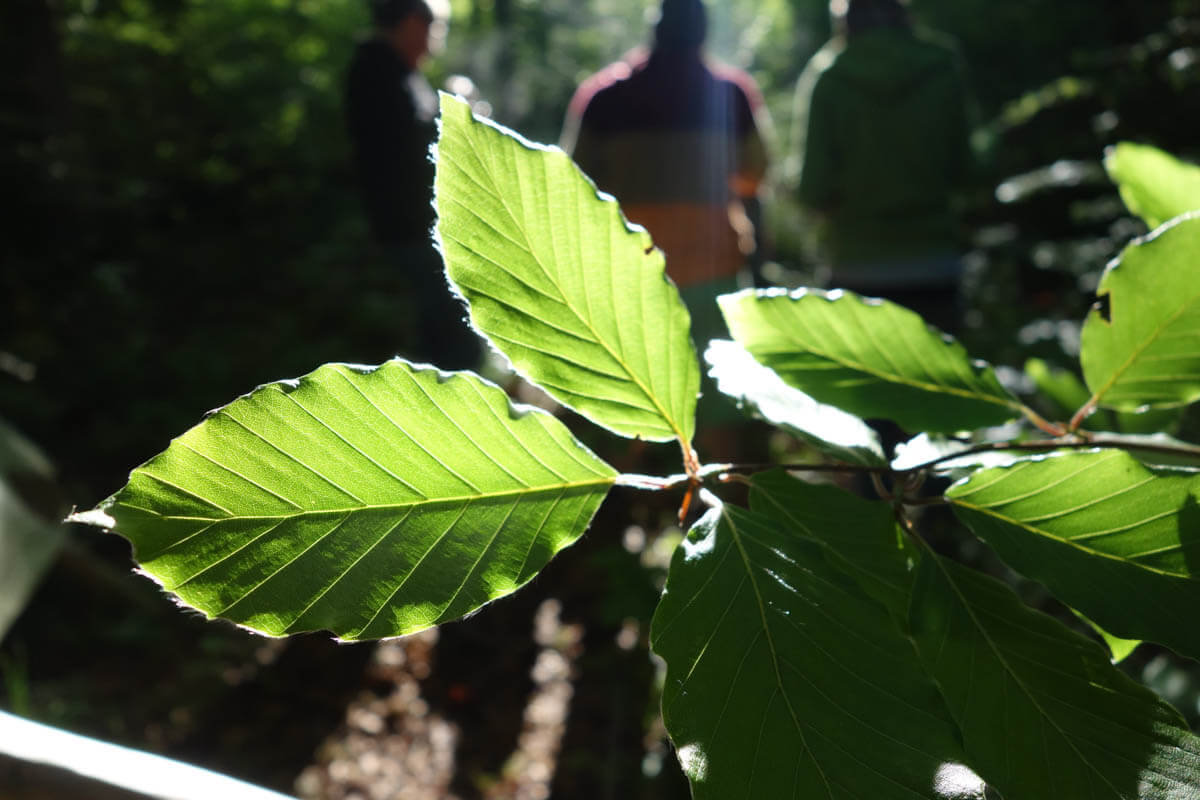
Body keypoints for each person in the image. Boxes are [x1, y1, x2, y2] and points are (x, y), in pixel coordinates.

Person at [561, 0, 770, 340]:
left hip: (629, 271)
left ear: (655, 30)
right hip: (713, 268)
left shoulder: (605, 98)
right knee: (718, 385)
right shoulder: (730, 95)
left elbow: (573, 185)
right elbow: (756, 173)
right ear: (703, 33)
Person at [792, 0, 973, 332]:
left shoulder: (830, 77)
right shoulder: (941, 66)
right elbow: (967, 171)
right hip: (934, 262)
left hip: (856, 267)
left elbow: (813, 190)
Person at [345, 0, 480, 369]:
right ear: (411, 24)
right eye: (433, 32)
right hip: (411, 227)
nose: (434, 44)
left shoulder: (395, 72)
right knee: (452, 332)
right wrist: (455, 115)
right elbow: (405, 146)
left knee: (441, 326)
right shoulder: (378, 72)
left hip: (416, 225)